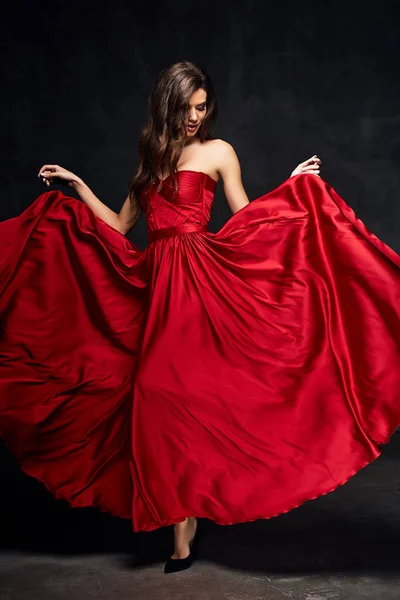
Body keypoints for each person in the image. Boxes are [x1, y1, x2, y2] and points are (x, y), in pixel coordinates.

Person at [1, 61, 400, 574]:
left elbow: (246, 216)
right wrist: (78, 185)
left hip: (203, 287)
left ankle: (183, 525)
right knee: (152, 395)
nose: (196, 116)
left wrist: (291, 190)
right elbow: (122, 226)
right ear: (169, 104)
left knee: (183, 394)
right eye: (189, 106)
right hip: (156, 289)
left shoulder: (218, 152)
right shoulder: (151, 157)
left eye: (203, 106)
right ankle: (181, 520)